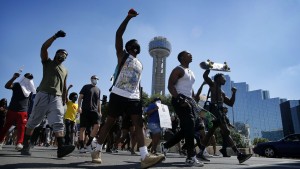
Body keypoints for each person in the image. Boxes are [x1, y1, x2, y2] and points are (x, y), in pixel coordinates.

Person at [90, 9, 165, 168]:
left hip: (134, 97)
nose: (137, 45)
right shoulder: (122, 55)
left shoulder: (140, 63)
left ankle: (144, 156)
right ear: (130, 46)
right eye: (134, 44)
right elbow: (118, 35)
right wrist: (128, 18)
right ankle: (97, 150)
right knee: (110, 122)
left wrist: (140, 98)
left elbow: (137, 82)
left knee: (139, 125)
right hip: (118, 94)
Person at [20, 30, 75, 158]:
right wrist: (55, 36)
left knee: (58, 122)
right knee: (34, 120)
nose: (64, 56)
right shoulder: (48, 62)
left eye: (66, 55)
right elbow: (44, 47)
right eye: (62, 53)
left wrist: (64, 97)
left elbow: (64, 84)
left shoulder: (65, 70)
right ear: (56, 54)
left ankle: (61, 149)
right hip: (43, 94)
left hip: (57, 97)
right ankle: (26, 145)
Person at [196, 70, 252, 164]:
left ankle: (200, 153)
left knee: (210, 133)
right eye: (223, 78)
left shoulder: (222, 92)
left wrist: (233, 93)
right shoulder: (213, 85)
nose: (225, 79)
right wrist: (208, 68)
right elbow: (205, 76)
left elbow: (230, 103)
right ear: (218, 79)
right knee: (226, 131)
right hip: (215, 111)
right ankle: (239, 155)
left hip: (219, 112)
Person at [160, 51, 204, 167]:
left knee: (188, 128)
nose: (191, 55)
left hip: (189, 100)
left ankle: (166, 146)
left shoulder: (191, 72)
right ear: (182, 58)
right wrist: (180, 99)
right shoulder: (178, 69)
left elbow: (190, 88)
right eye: (188, 54)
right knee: (189, 125)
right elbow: (170, 86)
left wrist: (194, 98)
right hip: (180, 99)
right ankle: (191, 157)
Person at [0, 73, 36, 151]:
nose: (29, 79)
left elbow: (30, 102)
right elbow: (6, 86)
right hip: (12, 110)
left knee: (22, 128)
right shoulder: (17, 84)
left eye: (30, 78)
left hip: (23, 111)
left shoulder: (30, 89)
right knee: (6, 127)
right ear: (24, 77)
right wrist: (13, 78)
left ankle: (19, 143)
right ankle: (0, 141)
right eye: (27, 77)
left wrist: (29, 112)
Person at [77, 75, 101, 153]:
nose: (96, 80)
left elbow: (98, 102)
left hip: (94, 111)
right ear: (91, 79)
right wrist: (79, 107)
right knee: (82, 128)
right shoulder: (86, 87)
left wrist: (99, 112)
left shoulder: (98, 90)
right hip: (85, 109)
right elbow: (80, 97)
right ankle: (81, 147)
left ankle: (88, 144)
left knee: (97, 125)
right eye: (94, 78)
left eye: (97, 79)